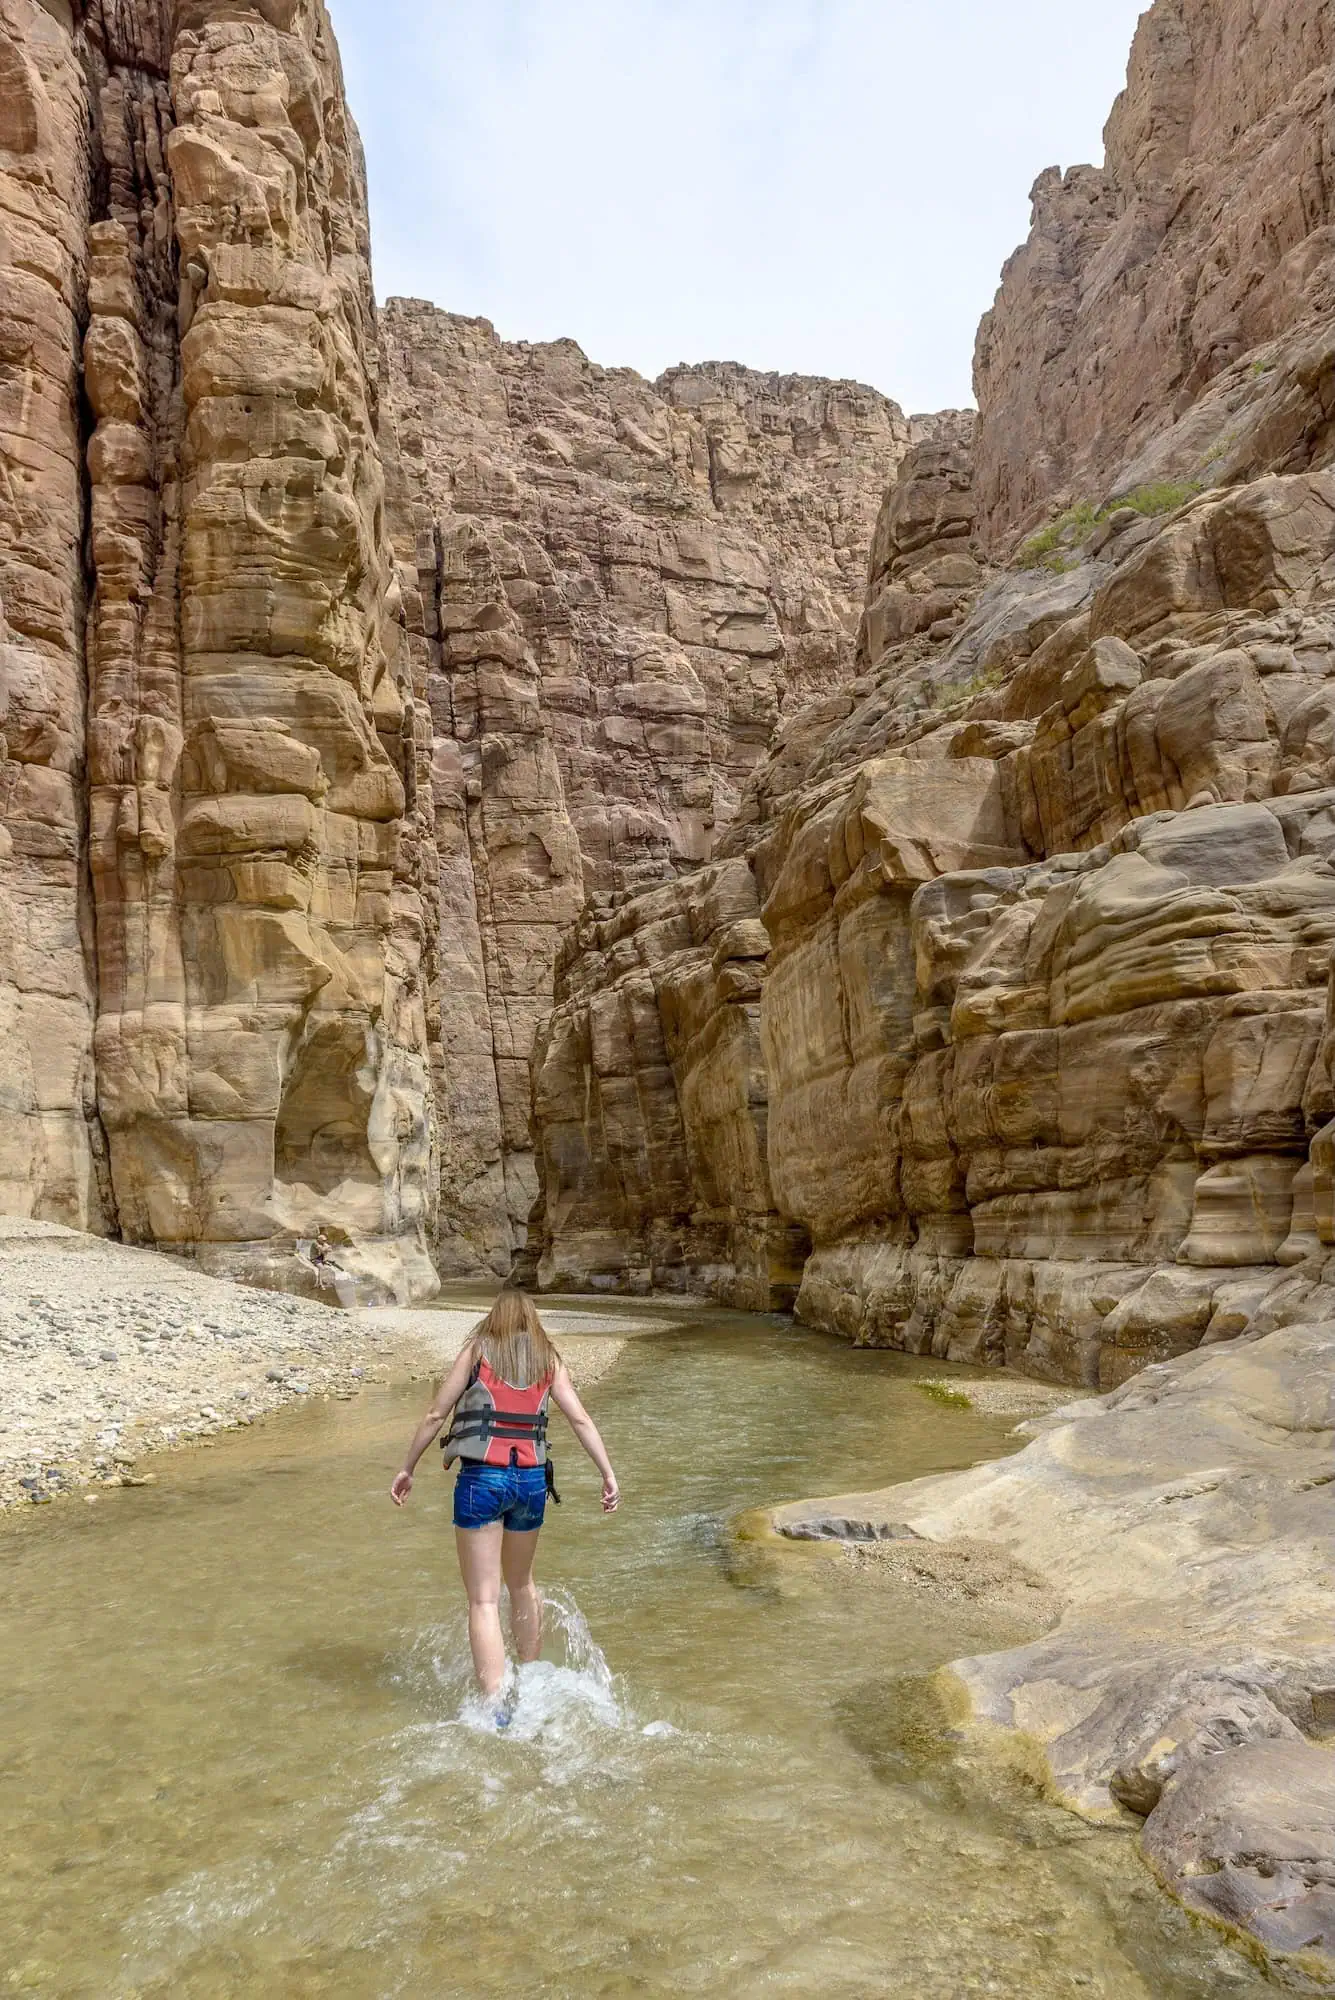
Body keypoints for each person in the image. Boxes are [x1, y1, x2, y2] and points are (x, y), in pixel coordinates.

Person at [389, 1288, 619, 1705]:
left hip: (483, 1480)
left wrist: (408, 1467)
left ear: (494, 1317)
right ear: (532, 1320)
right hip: (531, 1483)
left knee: (483, 1599)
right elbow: (580, 1419)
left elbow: (436, 1414)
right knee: (522, 1584)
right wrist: (608, 1474)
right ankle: (529, 1681)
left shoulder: (477, 1350)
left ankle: (495, 1705)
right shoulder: (548, 1358)